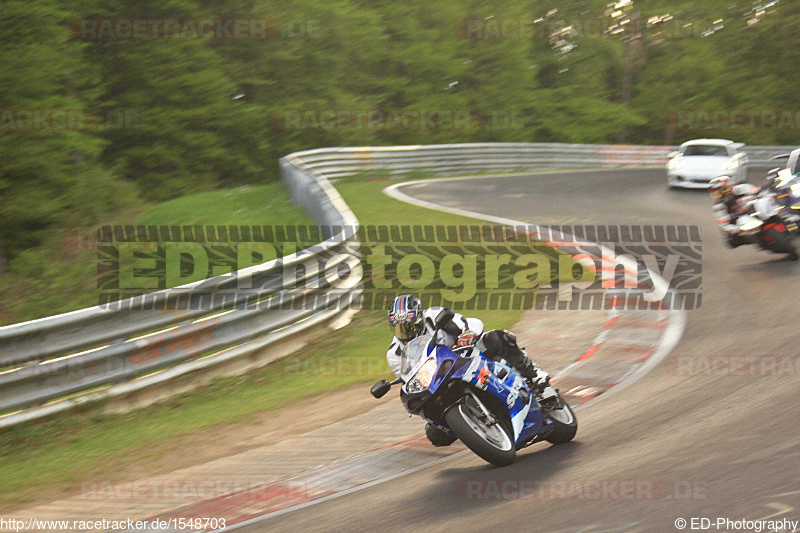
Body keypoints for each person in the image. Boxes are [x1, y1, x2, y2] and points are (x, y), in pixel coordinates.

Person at [385, 294, 550, 446]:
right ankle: (476, 427)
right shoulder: (394, 353)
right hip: (437, 378)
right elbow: (409, 377)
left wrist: (468, 334)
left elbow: (471, 323)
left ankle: (535, 376)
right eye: (399, 328)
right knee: (435, 435)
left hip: (466, 355)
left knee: (496, 338)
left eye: (410, 326)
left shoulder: (435, 315)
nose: (406, 333)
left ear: (420, 318)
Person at [709, 176, 760, 248]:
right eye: (714, 192)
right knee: (731, 240)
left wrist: (754, 192)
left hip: (755, 209)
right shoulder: (718, 206)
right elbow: (723, 224)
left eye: (718, 191)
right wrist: (736, 229)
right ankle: (758, 242)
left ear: (725, 188)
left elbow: (752, 189)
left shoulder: (736, 189)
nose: (717, 194)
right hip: (741, 221)